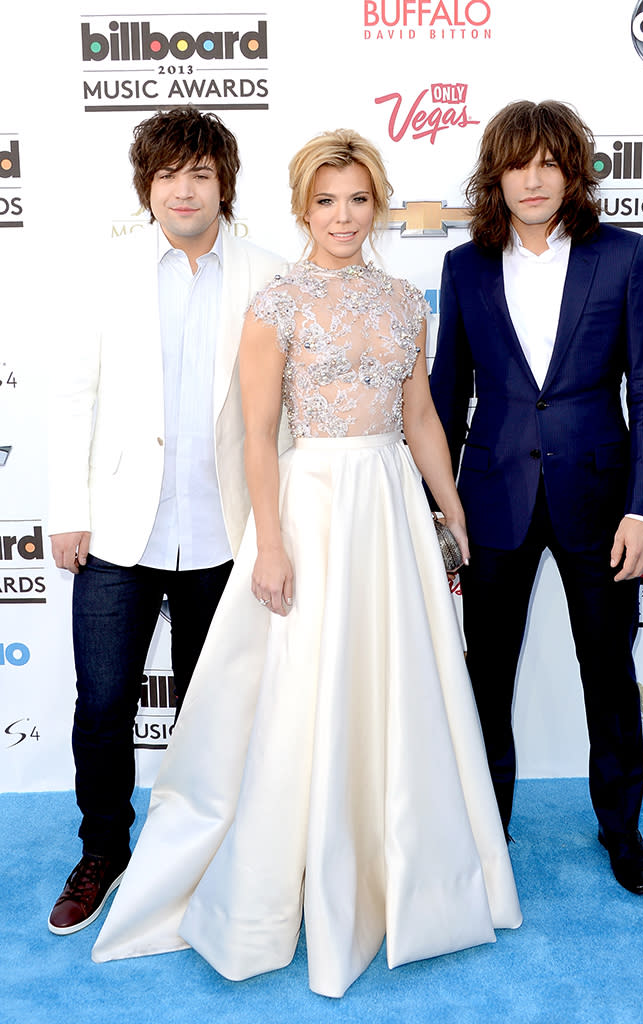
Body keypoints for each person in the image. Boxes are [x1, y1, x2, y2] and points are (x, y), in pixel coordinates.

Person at [91, 129, 522, 997]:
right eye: (326, 201)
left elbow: (425, 421)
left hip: (390, 506)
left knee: (397, 682)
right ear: (301, 208)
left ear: (377, 205)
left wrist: (450, 504)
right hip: (314, 505)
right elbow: (257, 435)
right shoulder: (277, 303)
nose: (343, 216)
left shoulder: (406, 299)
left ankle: (398, 867)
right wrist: (274, 543)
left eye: (359, 199)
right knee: (305, 688)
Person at [47, 106, 287, 935]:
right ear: (146, 187)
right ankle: (104, 850)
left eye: (201, 175)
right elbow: (74, 394)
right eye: (167, 176)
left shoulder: (267, 273)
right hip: (120, 531)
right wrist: (69, 511)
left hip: (226, 532)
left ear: (225, 184)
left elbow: (281, 418)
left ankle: (204, 852)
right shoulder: (107, 270)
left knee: (213, 705)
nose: (183, 191)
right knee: (104, 702)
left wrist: (276, 529)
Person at [430, 100, 643, 895]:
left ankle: (622, 830)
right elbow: (447, 389)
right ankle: (485, 826)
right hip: (491, 501)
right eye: (516, 163)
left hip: (601, 504)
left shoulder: (625, 257)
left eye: (548, 163)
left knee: (607, 671)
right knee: (484, 676)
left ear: (573, 171)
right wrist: (440, 506)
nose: (532, 179)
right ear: (495, 174)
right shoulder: (464, 266)